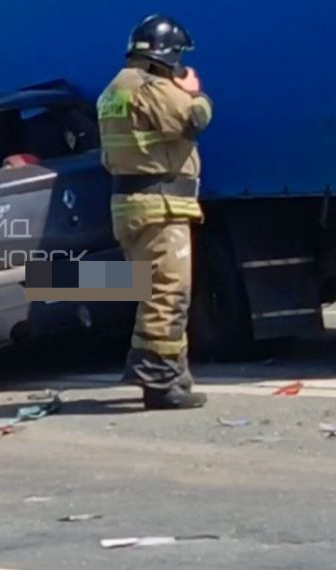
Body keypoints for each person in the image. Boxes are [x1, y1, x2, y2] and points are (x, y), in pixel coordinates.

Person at [97, 15, 213, 410]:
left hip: (134, 205)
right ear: (166, 55)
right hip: (158, 206)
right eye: (178, 58)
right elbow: (193, 119)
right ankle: (159, 383)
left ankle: (174, 378)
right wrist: (195, 92)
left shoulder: (115, 89)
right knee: (168, 293)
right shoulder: (150, 86)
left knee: (155, 291)